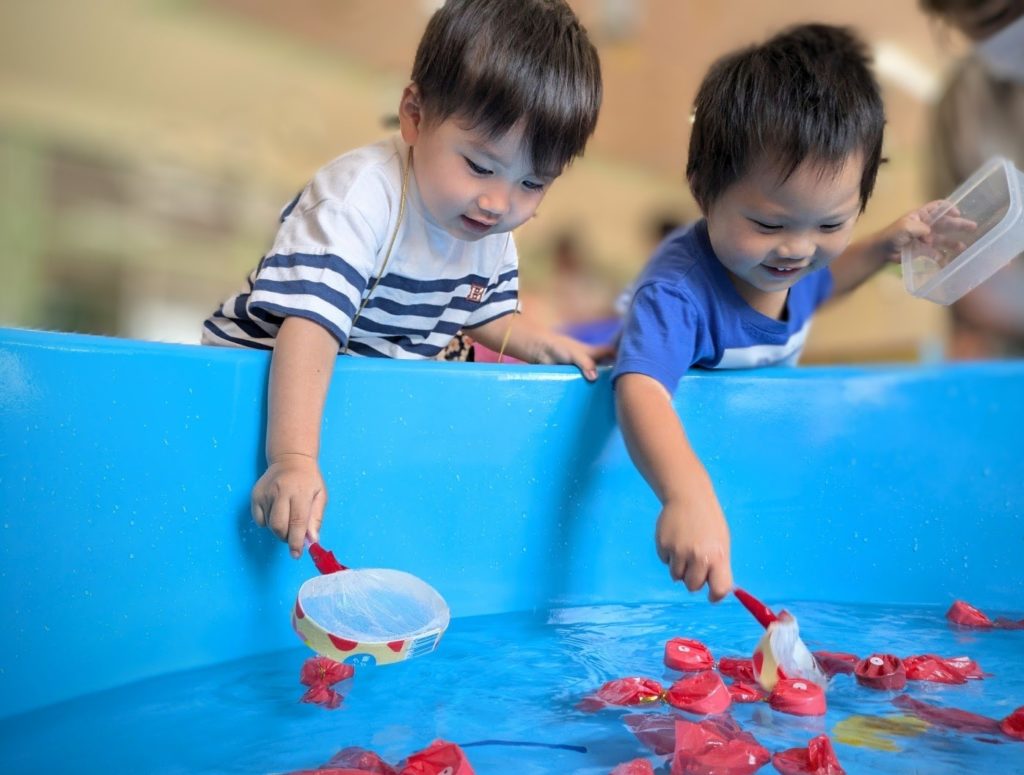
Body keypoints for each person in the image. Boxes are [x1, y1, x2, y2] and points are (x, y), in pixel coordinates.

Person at [202, 0, 604, 557]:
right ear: (414, 114)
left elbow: (483, 311)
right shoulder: (359, 199)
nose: (499, 202)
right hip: (259, 386)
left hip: (358, 391)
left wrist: (545, 346)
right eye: (481, 167)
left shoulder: (487, 228)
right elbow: (310, 328)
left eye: (533, 183)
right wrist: (291, 459)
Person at [613, 24, 950, 601]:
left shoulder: (795, 270)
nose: (797, 249)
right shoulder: (679, 295)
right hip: (657, 495)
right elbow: (641, 388)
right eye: (769, 224)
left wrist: (880, 246)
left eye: (830, 224)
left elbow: (824, 284)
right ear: (702, 190)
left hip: (753, 478)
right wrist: (685, 494)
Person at [919, 0, 1024, 358]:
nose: (1008, 32)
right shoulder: (961, 103)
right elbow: (951, 245)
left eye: (1011, 15)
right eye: (987, 23)